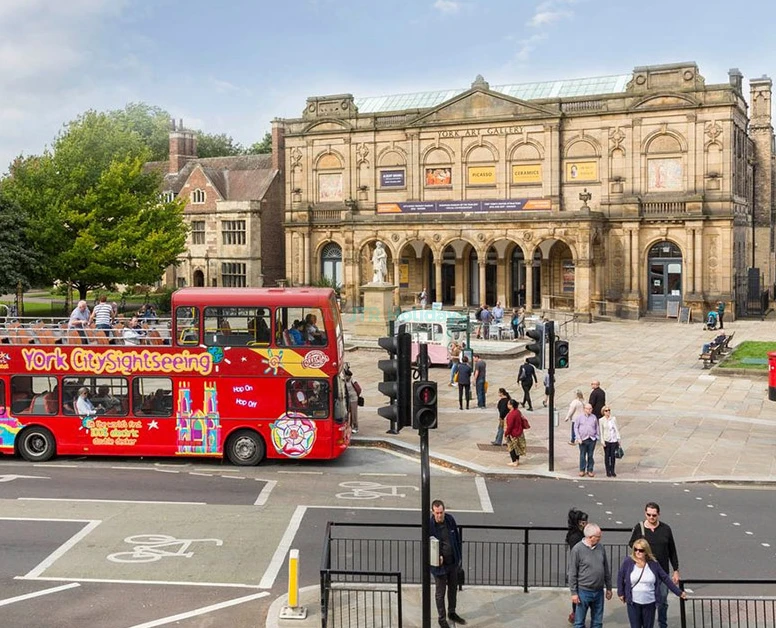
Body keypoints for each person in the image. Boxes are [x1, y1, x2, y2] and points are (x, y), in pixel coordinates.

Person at [628, 502, 681, 628]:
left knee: (662, 600)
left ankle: (662, 624)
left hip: (662, 572)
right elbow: (632, 544)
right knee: (645, 601)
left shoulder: (666, 529)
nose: (651, 517)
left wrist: (676, 570)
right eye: (649, 515)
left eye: (654, 515)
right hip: (645, 571)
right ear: (645, 513)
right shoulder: (639, 528)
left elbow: (672, 550)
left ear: (659, 514)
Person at [618, 538, 686, 628]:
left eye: (641, 550)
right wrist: (621, 593)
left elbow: (665, 578)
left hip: (649, 602)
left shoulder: (653, 564)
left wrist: (679, 592)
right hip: (633, 602)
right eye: (635, 549)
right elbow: (620, 576)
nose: (637, 552)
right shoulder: (628, 561)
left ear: (646, 551)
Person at [568, 523, 613, 628]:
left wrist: (609, 588)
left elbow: (605, 568)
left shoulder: (601, 548)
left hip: (599, 591)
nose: (600, 538)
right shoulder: (577, 549)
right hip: (583, 591)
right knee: (579, 622)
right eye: (598, 537)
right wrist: (574, 593)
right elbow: (572, 572)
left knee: (597, 623)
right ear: (590, 537)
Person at [429, 500, 466, 628]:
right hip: (440, 566)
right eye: (437, 513)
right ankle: (442, 618)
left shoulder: (450, 520)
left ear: (444, 511)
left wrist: (459, 557)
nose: (439, 515)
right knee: (440, 593)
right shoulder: (430, 525)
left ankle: (452, 612)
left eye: (441, 512)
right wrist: (436, 557)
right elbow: (427, 545)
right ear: (433, 512)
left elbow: (456, 538)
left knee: (452, 589)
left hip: (452, 562)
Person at [565, 508, 589, 624]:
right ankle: (577, 617)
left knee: (579, 596)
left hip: (579, 569)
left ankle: (576, 616)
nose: (586, 524)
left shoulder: (577, 534)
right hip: (579, 569)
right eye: (584, 522)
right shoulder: (576, 537)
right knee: (579, 596)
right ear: (579, 523)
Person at [573, 403, 599, 477]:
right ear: (584, 409)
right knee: (582, 455)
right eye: (588, 409)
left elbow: (596, 427)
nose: (589, 410)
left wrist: (597, 436)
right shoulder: (579, 417)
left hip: (592, 439)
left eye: (591, 409)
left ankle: (590, 470)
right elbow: (576, 427)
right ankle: (582, 470)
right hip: (583, 439)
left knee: (590, 455)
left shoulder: (594, 417)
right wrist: (578, 438)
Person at [599, 406, 621, 477]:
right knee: (607, 456)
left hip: (613, 439)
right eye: (606, 411)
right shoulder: (601, 420)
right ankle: (608, 470)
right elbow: (601, 431)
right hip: (607, 439)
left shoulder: (613, 419)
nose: (608, 412)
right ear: (603, 412)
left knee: (613, 456)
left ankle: (612, 470)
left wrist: (618, 438)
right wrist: (602, 441)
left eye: (609, 410)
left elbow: (616, 429)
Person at [504, 398, 527, 466]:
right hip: (519, 432)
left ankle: (514, 461)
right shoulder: (518, 412)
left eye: (508, 404)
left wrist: (506, 433)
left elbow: (510, 426)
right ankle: (517, 460)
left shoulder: (511, 415)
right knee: (517, 447)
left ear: (511, 405)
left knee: (511, 447)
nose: (507, 405)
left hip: (513, 433)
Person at [344, 366, 360, 434]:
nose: (346, 377)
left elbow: (359, 389)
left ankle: (355, 427)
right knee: (346, 413)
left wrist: (357, 396)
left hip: (353, 399)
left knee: (354, 414)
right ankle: (349, 426)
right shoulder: (343, 381)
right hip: (347, 399)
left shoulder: (353, 381)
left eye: (347, 376)